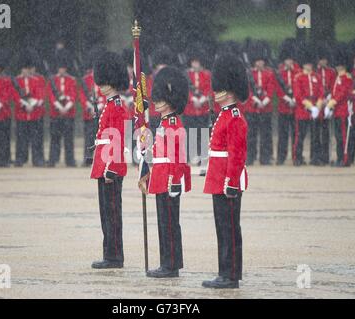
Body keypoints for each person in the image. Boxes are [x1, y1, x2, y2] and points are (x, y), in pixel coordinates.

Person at [138, 67, 191, 278]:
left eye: (160, 99)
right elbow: (158, 153)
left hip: (168, 180)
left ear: (171, 99)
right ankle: (168, 263)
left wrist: (173, 181)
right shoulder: (163, 123)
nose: (156, 102)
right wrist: (145, 149)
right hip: (160, 177)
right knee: (164, 222)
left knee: (169, 223)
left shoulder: (173, 123)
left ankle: (170, 265)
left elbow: (178, 158)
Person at [202, 53, 249, 289]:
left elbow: (237, 154)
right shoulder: (224, 115)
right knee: (223, 228)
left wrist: (231, 182)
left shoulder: (234, 117)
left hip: (227, 180)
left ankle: (230, 275)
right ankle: (225, 271)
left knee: (229, 228)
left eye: (219, 88)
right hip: (218, 178)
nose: (215, 92)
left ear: (229, 90)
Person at [90, 51, 128, 269]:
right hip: (103, 165)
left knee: (112, 214)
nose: (101, 85)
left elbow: (117, 139)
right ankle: (110, 253)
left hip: (110, 169)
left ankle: (114, 256)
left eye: (104, 82)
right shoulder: (110, 105)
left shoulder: (116, 107)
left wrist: (110, 169)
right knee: (107, 214)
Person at [292, 44, 324, 166]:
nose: (309, 65)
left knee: (316, 136)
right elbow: (298, 95)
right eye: (307, 64)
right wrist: (311, 107)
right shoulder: (298, 77)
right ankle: (297, 157)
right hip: (303, 110)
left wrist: (318, 106)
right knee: (300, 136)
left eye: (310, 64)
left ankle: (315, 157)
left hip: (316, 109)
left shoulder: (317, 76)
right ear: (303, 64)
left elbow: (321, 93)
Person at [244, 40, 275, 165]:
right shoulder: (249, 73)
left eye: (261, 60)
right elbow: (247, 89)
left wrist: (265, 100)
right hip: (252, 108)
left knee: (266, 135)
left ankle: (265, 157)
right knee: (251, 134)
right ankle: (250, 156)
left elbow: (271, 88)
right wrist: (256, 100)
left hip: (265, 108)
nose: (260, 62)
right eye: (257, 60)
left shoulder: (269, 73)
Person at [14, 48, 46, 167]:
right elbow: (14, 95)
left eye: (27, 68)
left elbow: (40, 94)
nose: (26, 71)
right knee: (21, 139)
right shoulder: (17, 80)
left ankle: (37, 158)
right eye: (24, 68)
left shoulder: (37, 80)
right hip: (22, 114)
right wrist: (23, 104)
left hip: (35, 113)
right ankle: (20, 158)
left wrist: (32, 104)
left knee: (36, 139)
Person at [46, 49, 78, 167]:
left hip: (68, 113)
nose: (62, 70)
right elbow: (50, 95)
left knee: (68, 139)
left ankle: (70, 160)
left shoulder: (72, 80)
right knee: (55, 139)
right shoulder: (52, 80)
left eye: (64, 67)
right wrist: (59, 106)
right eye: (60, 67)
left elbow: (74, 94)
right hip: (56, 113)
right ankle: (53, 159)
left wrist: (67, 105)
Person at [183, 44, 213, 166]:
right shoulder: (186, 75)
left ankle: (203, 157)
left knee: (203, 134)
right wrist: (193, 99)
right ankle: (191, 156)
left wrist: (203, 99)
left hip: (203, 109)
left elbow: (209, 88)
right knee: (191, 134)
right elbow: (185, 89)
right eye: (194, 62)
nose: (196, 65)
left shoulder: (206, 74)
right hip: (190, 110)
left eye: (197, 62)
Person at [325, 43, 354, 167]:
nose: (337, 67)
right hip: (338, 111)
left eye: (339, 65)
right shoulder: (338, 77)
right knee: (338, 137)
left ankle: (345, 159)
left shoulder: (347, 77)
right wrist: (329, 99)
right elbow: (334, 92)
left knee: (343, 137)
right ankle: (340, 158)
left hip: (343, 112)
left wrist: (330, 104)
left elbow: (341, 94)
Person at [79, 46, 107, 167]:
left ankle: (101, 158)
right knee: (89, 136)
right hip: (89, 112)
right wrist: (88, 105)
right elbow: (81, 94)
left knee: (102, 136)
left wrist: (100, 105)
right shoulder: (86, 79)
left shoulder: (104, 78)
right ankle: (88, 158)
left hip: (101, 112)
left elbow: (106, 93)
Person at [275, 38, 301, 165]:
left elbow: (300, 87)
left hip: (296, 107)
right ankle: (281, 157)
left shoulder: (298, 71)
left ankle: (296, 156)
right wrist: (286, 99)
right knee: (283, 135)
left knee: (296, 134)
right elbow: (278, 89)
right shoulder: (280, 71)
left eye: (291, 59)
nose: (289, 61)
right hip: (284, 107)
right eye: (287, 59)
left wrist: (295, 98)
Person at [315, 42, 336, 165]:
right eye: (321, 59)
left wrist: (328, 98)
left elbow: (333, 86)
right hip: (318, 105)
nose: (323, 62)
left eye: (325, 59)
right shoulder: (315, 72)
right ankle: (316, 156)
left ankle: (325, 156)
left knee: (326, 133)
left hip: (327, 104)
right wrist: (320, 99)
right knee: (316, 133)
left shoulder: (331, 72)